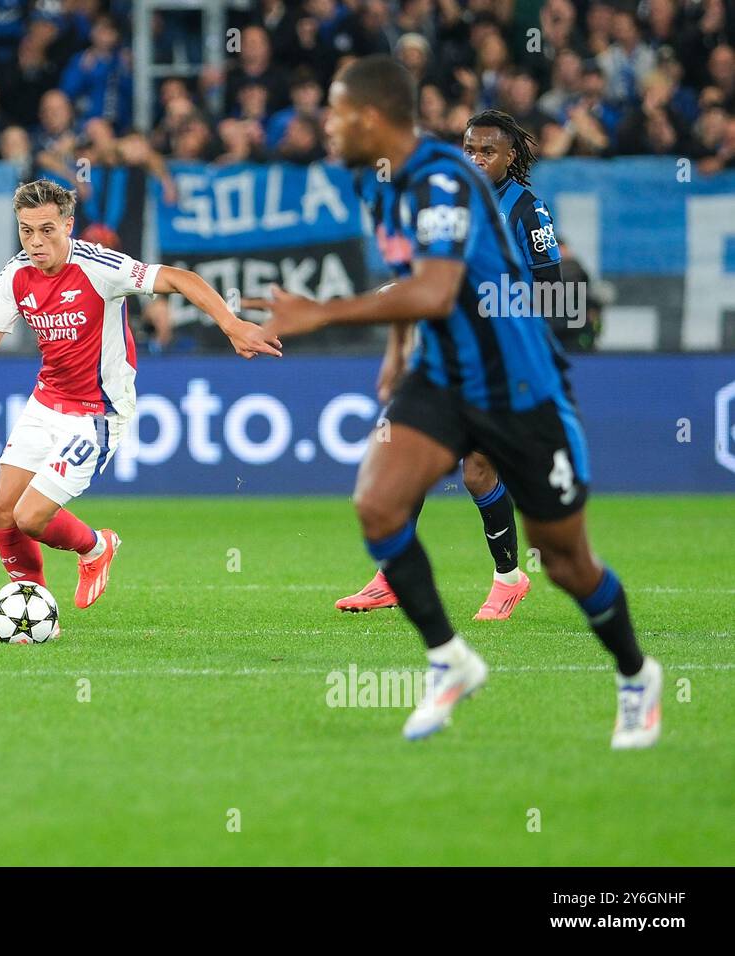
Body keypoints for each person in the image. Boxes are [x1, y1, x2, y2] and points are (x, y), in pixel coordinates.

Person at [247, 57, 660, 749]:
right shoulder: (375, 184)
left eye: (338, 113)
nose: (325, 126)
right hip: (442, 374)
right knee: (378, 504)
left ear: (375, 117)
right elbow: (412, 274)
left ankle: (636, 673)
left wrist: (322, 313)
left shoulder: (444, 179)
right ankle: (450, 658)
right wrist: (396, 351)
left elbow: (438, 288)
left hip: (518, 384)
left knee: (565, 561)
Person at [0, 180, 280, 639]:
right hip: (45, 403)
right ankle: (33, 612)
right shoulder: (16, 275)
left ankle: (97, 546)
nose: (36, 242)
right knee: (2, 509)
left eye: (46, 230)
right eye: (26, 232)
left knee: (30, 517)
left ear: (68, 225)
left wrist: (231, 323)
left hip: (96, 413)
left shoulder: (100, 266)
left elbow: (180, 279)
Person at [335, 109, 563, 621]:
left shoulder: (529, 210)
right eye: (470, 148)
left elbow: (552, 291)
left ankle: (509, 578)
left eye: (488, 151)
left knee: (477, 471)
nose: (476, 158)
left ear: (511, 156)